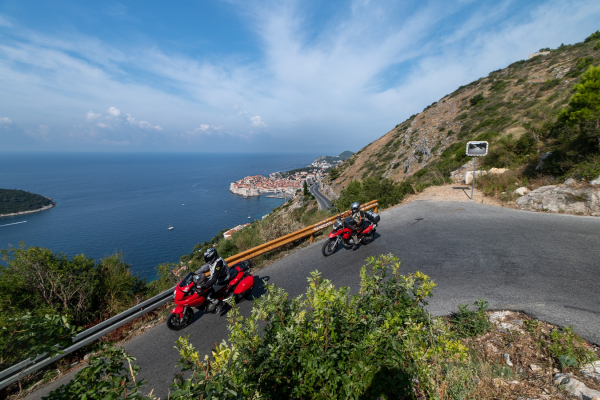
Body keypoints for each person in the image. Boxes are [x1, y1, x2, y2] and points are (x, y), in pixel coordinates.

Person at [194, 248, 230, 314]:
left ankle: (219, 304)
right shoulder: (212, 261)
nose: (207, 260)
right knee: (202, 284)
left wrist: (204, 287)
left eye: (207, 259)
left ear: (212, 257)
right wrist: (194, 273)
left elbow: (214, 279)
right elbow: (204, 267)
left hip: (222, 280)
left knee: (207, 294)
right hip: (216, 278)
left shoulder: (218, 263)